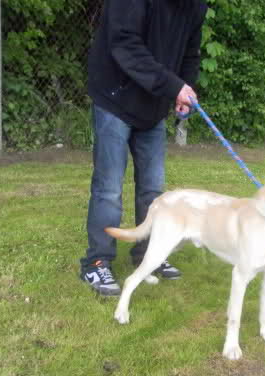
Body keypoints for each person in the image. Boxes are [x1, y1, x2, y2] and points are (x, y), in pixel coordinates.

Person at [80, 0, 208, 296]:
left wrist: (183, 89)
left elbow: (190, 53)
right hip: (115, 96)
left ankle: (148, 255)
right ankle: (96, 262)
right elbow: (125, 46)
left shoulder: (195, 7)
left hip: (153, 105)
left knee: (153, 190)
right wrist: (173, 85)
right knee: (109, 189)